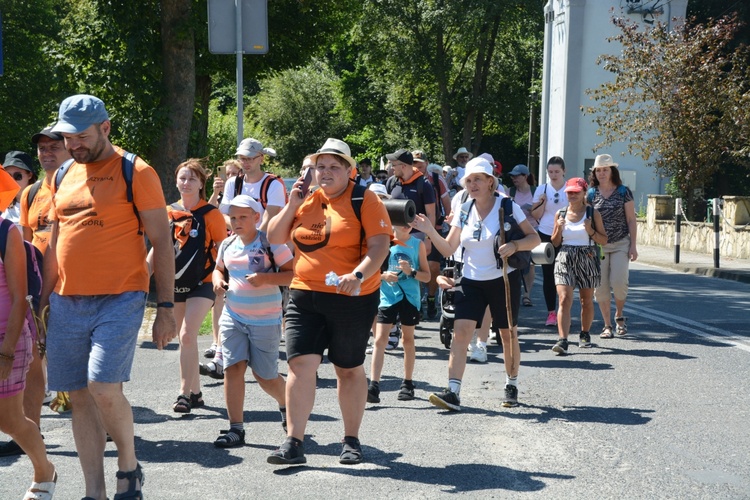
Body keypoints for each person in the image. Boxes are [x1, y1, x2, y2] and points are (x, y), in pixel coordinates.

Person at [41, 94, 176, 500]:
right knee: (78, 397)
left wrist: (166, 308)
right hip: (66, 300)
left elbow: (162, 243)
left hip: (120, 296)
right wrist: (40, 301)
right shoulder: (63, 173)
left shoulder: (137, 171)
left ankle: (129, 466)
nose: (74, 145)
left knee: (102, 386)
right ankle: (94, 492)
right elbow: (55, 243)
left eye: (82, 136)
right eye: (68, 137)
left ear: (106, 128)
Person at [266, 138, 391, 465]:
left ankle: (351, 439)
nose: (326, 172)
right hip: (304, 293)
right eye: (320, 166)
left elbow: (379, 247)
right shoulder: (306, 200)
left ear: (349, 171)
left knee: (347, 368)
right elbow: (274, 237)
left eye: (334, 166)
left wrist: (359, 275)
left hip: (352, 297)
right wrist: (292, 205)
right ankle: (293, 441)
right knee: (300, 365)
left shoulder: (366, 199)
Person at [411, 157, 540, 410]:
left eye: (478, 179)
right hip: (470, 280)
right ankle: (453, 392)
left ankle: (511, 384)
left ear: (490, 182)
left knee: (507, 334)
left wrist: (515, 245)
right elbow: (449, 246)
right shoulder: (464, 209)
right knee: (460, 335)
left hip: (503, 279)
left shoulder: (507, 206)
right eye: (468, 180)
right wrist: (429, 230)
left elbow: (534, 239)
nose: (472, 184)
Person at [0, 126, 72, 459]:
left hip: (76, 285)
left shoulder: (85, 186)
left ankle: (101, 417)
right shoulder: (29, 195)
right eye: (42, 148)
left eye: (54, 146)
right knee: (35, 362)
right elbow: (25, 249)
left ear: (70, 148)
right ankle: (33, 429)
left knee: (80, 360)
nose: (47, 153)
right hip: (39, 286)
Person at [211, 195, 293, 448]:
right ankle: (236, 428)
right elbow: (218, 268)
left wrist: (266, 279)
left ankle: (287, 405)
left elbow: (294, 275)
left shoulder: (272, 243)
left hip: (266, 319)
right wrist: (216, 280)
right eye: (233, 217)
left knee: (265, 376)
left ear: (257, 218)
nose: (236, 221)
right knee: (232, 369)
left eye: (242, 217)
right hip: (232, 316)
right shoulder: (227, 244)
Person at [150, 159, 226, 413]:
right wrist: (142, 275)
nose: (186, 183)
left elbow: (224, 249)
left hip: (203, 283)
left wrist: (223, 277)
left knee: (186, 333)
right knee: (186, 341)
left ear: (201, 183)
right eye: (182, 178)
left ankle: (182, 394)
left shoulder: (211, 214)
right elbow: (158, 249)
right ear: (176, 181)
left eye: (192, 179)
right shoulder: (167, 211)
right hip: (175, 283)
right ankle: (196, 393)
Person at [0, 168, 57, 500]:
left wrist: (7, 349)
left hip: (8, 336)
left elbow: (22, 294)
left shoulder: (7, 232)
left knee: (9, 420)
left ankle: (43, 471)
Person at [367, 223, 430, 403]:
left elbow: (427, 276)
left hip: (410, 298)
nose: (407, 227)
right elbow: (368, 270)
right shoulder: (383, 242)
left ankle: (407, 383)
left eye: (409, 224)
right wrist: (382, 276)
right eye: (402, 223)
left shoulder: (418, 245)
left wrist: (411, 272)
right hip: (387, 298)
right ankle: (374, 385)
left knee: (407, 339)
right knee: (379, 339)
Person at [550, 178, 607, 355]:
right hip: (565, 256)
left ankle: (584, 333)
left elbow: (603, 239)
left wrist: (590, 230)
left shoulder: (592, 213)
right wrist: (558, 229)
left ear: (584, 193)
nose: (572, 195)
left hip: (587, 256)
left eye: (576, 192)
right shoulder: (560, 213)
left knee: (586, 300)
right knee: (564, 298)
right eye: (569, 192)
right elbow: (555, 242)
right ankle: (563, 340)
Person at [587, 154, 638, 338]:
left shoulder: (624, 192)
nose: (601, 173)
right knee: (600, 287)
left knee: (619, 282)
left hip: (620, 243)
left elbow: (631, 220)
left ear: (612, 171)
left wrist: (633, 246)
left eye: (605, 169)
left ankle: (619, 315)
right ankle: (607, 325)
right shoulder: (591, 194)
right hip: (598, 246)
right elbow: (587, 220)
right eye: (598, 170)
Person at [206, 158, 241, 362]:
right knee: (218, 296)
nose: (230, 177)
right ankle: (216, 341)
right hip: (221, 249)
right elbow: (206, 213)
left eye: (234, 174)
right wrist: (216, 193)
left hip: (240, 251)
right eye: (226, 173)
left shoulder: (244, 195)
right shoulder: (221, 198)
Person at [412, 151, 450, 319]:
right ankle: (418, 300)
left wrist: (449, 225)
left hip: (434, 228)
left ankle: (431, 297)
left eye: (419, 163)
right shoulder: (405, 179)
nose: (416, 166)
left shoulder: (436, 179)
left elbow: (447, 205)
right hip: (411, 229)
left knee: (433, 266)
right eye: (413, 163)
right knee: (415, 266)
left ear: (426, 163)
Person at [531, 156, 568, 327]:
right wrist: (542, 202)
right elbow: (535, 215)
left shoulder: (570, 188)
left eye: (557, 172)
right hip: (545, 233)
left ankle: (564, 310)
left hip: (567, 235)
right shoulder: (542, 189)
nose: (553, 175)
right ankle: (551, 313)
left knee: (566, 275)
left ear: (563, 172)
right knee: (548, 275)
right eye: (550, 172)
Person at [219, 138, 284, 232]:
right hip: (239, 240)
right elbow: (223, 215)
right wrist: (239, 233)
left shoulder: (274, 185)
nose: (245, 163)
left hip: (266, 242)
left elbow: (269, 220)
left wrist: (252, 240)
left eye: (250, 158)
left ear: (261, 159)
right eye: (242, 159)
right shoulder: (232, 183)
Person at [508, 164, 538, 307]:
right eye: (512, 176)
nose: (514, 178)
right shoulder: (510, 191)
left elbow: (542, 211)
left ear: (525, 176)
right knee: (513, 262)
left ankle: (527, 294)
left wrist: (533, 209)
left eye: (517, 176)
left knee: (530, 264)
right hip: (514, 231)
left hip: (532, 230)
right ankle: (513, 292)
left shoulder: (535, 191)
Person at [1, 151, 37, 227]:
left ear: (30, 175)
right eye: (8, 176)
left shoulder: (42, 200)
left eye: (18, 176)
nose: (12, 180)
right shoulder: (2, 205)